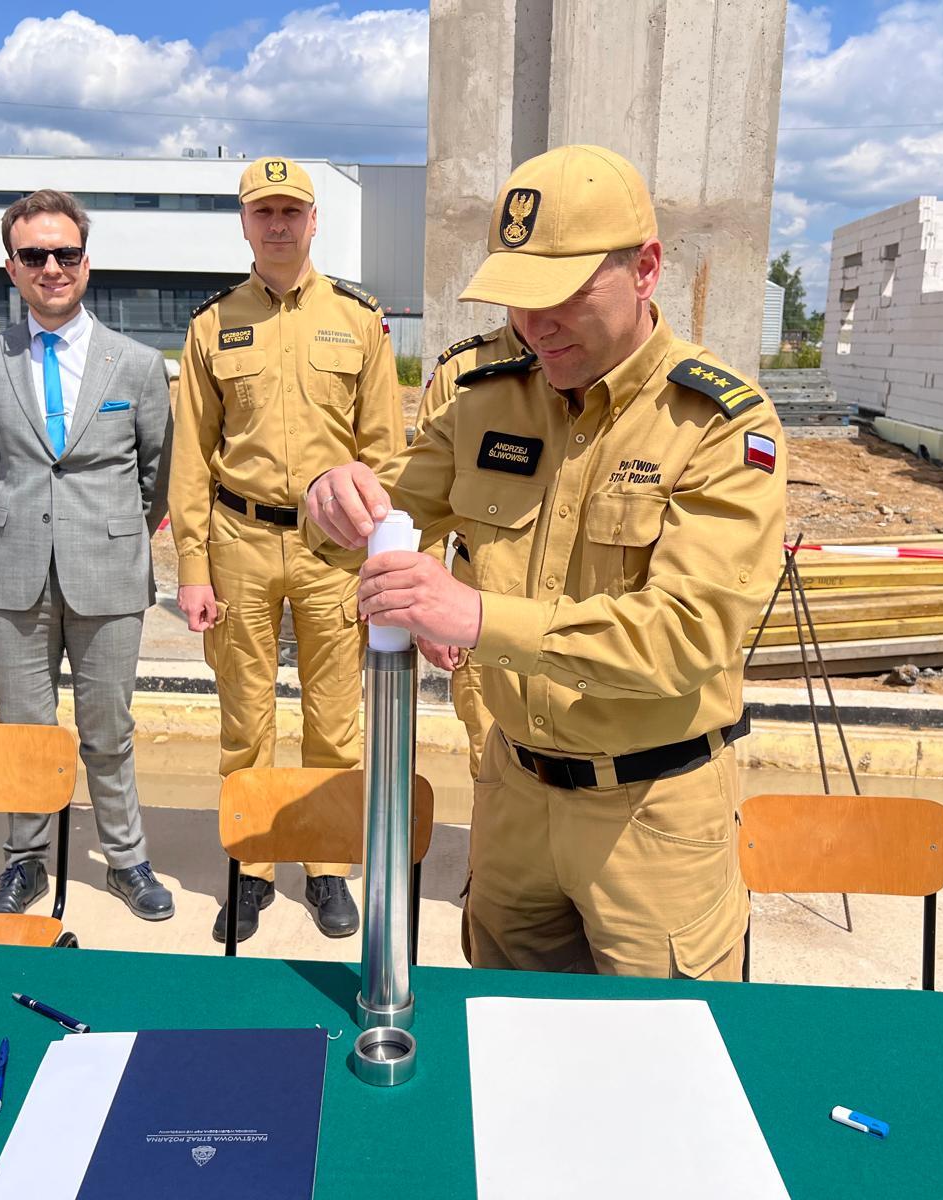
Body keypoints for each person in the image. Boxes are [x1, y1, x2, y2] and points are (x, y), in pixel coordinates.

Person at [302, 145, 787, 980]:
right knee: (504, 1033)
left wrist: (476, 617)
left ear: (646, 269)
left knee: (655, 1047)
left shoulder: (716, 424)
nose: (535, 324)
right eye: (518, 297)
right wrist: (330, 495)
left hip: (651, 817)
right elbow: (379, 513)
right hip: (514, 799)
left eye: (563, 294)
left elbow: (689, 634)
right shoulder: (486, 398)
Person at [172, 156, 403, 943]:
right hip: (238, 542)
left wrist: (381, 558)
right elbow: (192, 458)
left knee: (335, 722)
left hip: (332, 552)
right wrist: (193, 568)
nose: (278, 225)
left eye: (291, 211)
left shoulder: (358, 320)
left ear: (314, 221)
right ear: (244, 223)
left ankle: (327, 863)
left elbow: (385, 452)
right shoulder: (211, 325)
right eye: (263, 212)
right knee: (246, 721)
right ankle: (252, 864)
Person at [0, 189, 175, 920]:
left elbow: (157, 475)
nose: (51, 267)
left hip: (109, 573)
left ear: (86, 262)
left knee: (108, 731)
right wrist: (32, 521)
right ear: (11, 267)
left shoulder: (137, 365)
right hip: (17, 570)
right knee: (24, 731)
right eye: (34, 255)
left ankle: (126, 858)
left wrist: (112, 531)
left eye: (65, 253)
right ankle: (25, 861)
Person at [413, 320, 530, 779]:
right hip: (480, 595)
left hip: (581, 607)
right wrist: (427, 609)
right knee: (492, 765)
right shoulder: (463, 368)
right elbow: (423, 500)